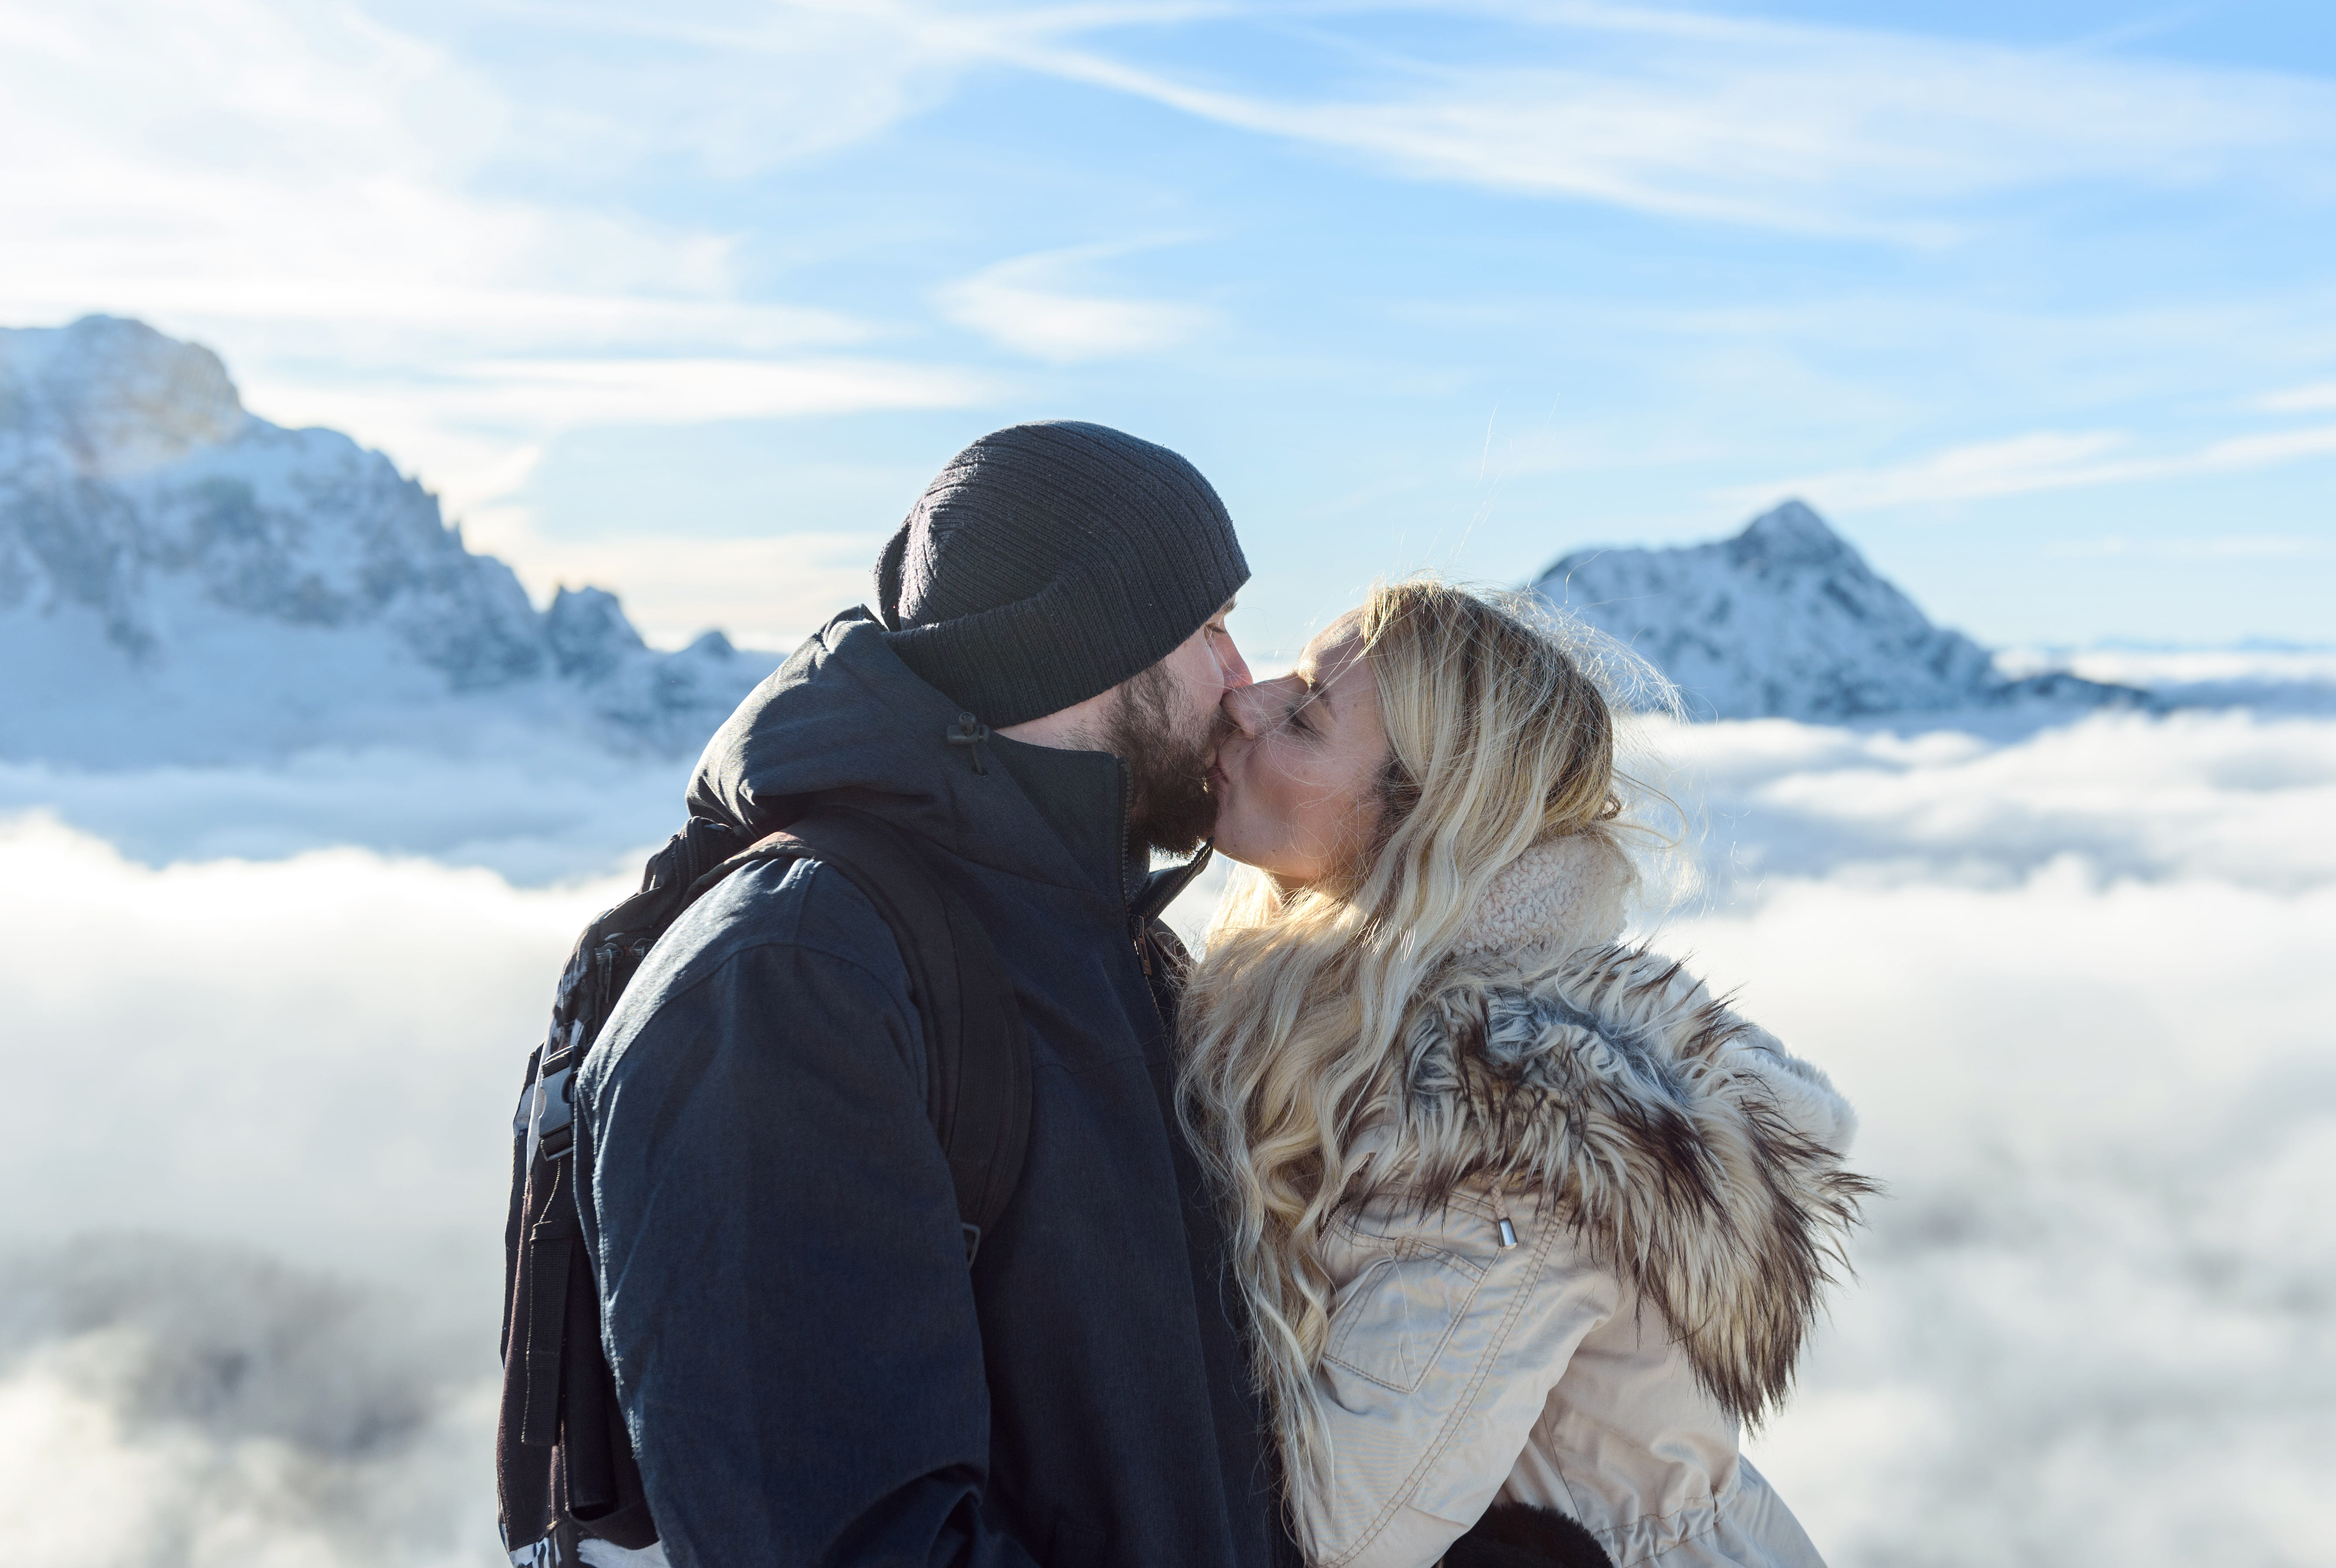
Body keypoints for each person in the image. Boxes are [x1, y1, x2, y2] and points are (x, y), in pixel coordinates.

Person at [574, 422, 1293, 1568]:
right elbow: (847, 1541)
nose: (1242, 681)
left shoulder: (1112, 946)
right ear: (1092, 646)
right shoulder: (792, 976)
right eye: (1211, 628)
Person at [1180, 581, 1873, 1568]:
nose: (1244, 701)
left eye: (1303, 717)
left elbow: (1347, 1531)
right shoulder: (1352, 1025)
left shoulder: (1508, 1124)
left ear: (1419, 822)